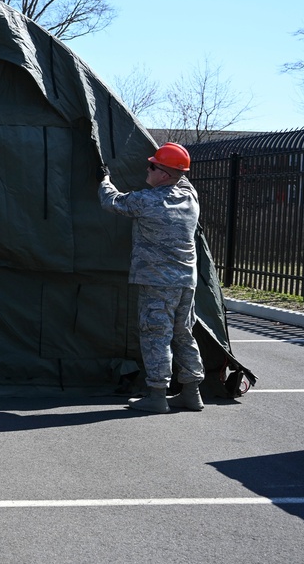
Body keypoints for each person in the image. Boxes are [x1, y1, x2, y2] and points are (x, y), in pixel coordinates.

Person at [99, 142, 206, 414]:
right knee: (183, 334)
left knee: (156, 336)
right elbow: (182, 174)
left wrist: (105, 179)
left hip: (157, 282)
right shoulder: (189, 197)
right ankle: (191, 394)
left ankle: (157, 395)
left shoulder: (148, 201)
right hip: (186, 282)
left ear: (165, 175)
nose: (147, 169)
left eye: (153, 166)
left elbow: (111, 201)